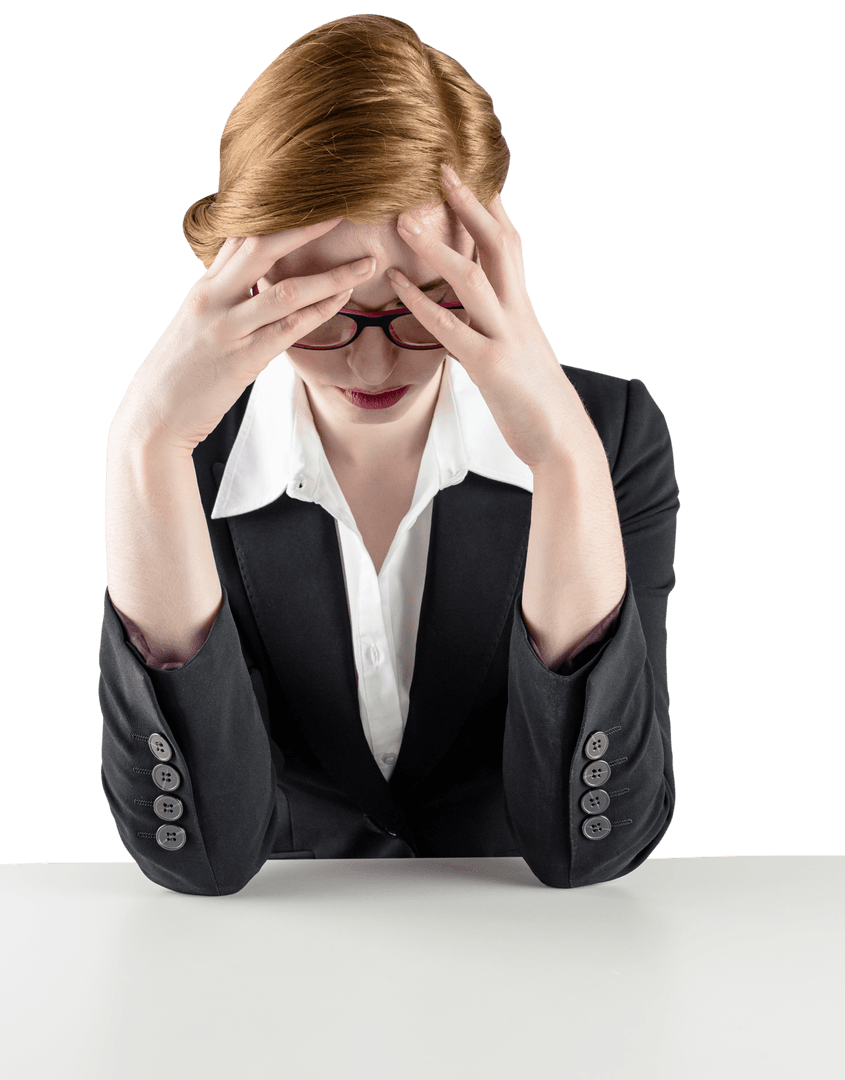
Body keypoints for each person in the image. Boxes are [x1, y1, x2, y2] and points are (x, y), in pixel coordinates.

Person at [99, 13, 680, 896]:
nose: (372, 366)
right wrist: (143, 441)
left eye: (422, 306)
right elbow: (198, 859)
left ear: (488, 269)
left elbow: (592, 849)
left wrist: (563, 458)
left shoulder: (610, 434)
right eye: (319, 310)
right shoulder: (185, 452)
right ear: (240, 276)